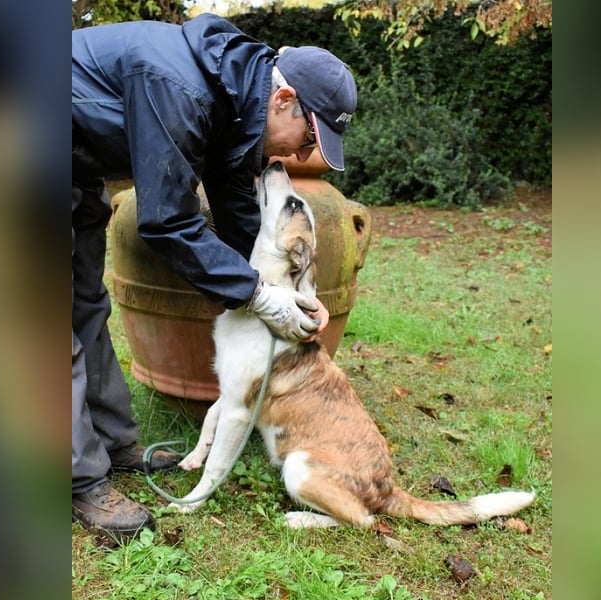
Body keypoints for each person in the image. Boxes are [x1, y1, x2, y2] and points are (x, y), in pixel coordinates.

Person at [72, 13, 358, 539]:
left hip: (76, 166)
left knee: (84, 304)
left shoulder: (233, 102)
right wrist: (257, 295)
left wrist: (287, 291)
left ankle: (111, 445)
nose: (300, 155)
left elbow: (238, 212)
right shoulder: (181, 86)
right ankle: (79, 478)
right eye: (306, 137)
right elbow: (167, 221)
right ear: (283, 99)